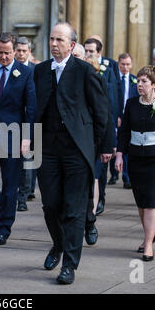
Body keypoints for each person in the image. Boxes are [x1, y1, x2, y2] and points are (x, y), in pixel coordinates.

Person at [34, 23, 108, 284]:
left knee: (74, 209)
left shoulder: (85, 72)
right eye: (52, 39)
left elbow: (101, 114)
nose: (54, 44)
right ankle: (58, 244)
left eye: (60, 40)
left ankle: (69, 265)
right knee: (50, 204)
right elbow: (36, 109)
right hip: (47, 149)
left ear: (72, 45)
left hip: (76, 151)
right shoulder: (40, 71)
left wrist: (92, 146)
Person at [0, 32, 36, 246]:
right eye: (0, 52)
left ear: (15, 51)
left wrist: (27, 138)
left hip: (14, 136)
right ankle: (2, 212)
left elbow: (31, 109)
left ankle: (3, 228)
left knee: (11, 186)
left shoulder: (26, 73)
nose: (4, 57)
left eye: (8, 53)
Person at [116, 65, 155, 261]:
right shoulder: (131, 103)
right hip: (135, 159)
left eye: (144, 82)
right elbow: (125, 131)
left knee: (152, 200)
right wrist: (119, 155)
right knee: (141, 201)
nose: (139, 85)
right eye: (138, 81)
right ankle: (148, 236)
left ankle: (148, 243)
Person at [84, 37, 121, 214]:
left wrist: (114, 122)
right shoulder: (82, 68)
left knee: (101, 168)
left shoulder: (109, 67)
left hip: (103, 125)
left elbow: (113, 97)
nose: (88, 54)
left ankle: (100, 199)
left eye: (91, 51)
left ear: (99, 52)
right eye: (86, 50)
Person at [83, 55, 114, 246]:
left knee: (89, 183)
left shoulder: (97, 81)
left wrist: (106, 146)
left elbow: (106, 114)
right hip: (61, 145)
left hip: (90, 142)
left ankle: (89, 222)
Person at [14, 36, 37, 211]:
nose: (21, 54)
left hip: (31, 122)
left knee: (27, 162)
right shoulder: (9, 68)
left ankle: (23, 196)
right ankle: (16, 194)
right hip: (12, 122)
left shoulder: (36, 70)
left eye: (24, 51)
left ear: (29, 52)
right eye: (18, 51)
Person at [111, 53, 139, 189]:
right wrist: (115, 115)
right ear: (118, 64)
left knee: (126, 148)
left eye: (128, 64)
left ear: (131, 65)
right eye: (123, 64)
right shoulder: (114, 79)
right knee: (114, 146)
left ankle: (127, 177)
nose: (125, 67)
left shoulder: (135, 81)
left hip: (129, 118)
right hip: (116, 116)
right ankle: (113, 173)